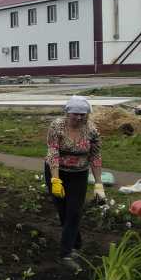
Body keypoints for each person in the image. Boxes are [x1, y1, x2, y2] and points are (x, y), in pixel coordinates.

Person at [46, 95, 103, 271]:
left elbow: (95, 156)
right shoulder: (57, 127)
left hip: (79, 174)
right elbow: (53, 152)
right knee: (64, 211)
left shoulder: (92, 131)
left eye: (83, 114)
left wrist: (99, 184)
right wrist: (55, 179)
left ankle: (65, 253)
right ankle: (76, 243)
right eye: (76, 114)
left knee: (74, 212)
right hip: (56, 172)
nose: (79, 117)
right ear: (67, 113)